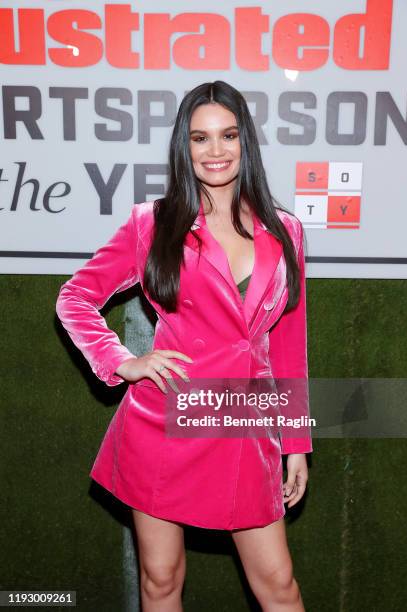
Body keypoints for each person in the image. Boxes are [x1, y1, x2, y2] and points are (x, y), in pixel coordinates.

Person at [56, 80, 313, 611]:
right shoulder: (152, 224)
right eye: (200, 138)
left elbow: (288, 340)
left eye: (228, 136)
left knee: (279, 586)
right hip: (165, 424)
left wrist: (297, 441)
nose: (214, 151)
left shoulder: (285, 230)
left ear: (247, 143)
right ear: (184, 146)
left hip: (248, 426)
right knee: (161, 580)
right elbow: (75, 297)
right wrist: (122, 361)